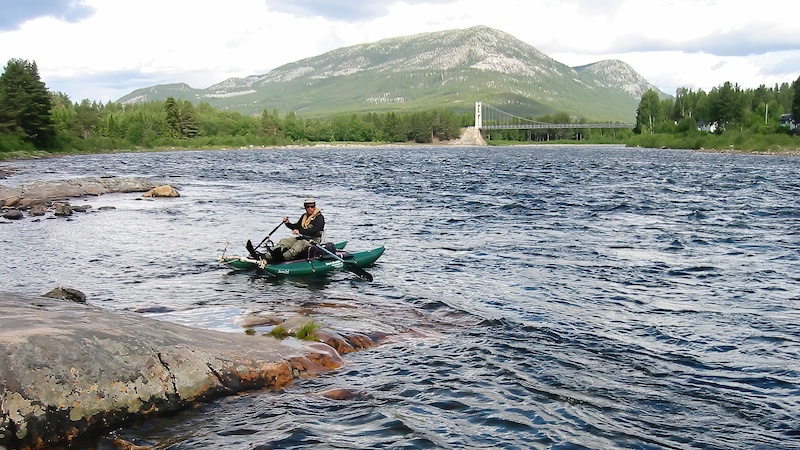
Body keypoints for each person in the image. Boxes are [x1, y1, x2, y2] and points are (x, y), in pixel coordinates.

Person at [269, 198, 325, 262]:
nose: (310, 208)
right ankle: (270, 255)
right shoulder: (304, 217)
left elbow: (315, 229)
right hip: (303, 238)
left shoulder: (319, 218)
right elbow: (297, 227)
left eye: (312, 207)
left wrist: (300, 231)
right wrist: (288, 223)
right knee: (284, 241)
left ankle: (284, 257)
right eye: (308, 207)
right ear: (305, 208)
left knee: (300, 244)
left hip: (313, 241)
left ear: (314, 207)